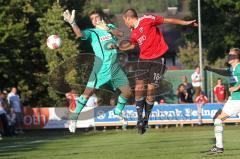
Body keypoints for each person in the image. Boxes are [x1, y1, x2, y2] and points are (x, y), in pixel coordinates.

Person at [120, 8, 197, 134]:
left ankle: (146, 119)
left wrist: (185, 23)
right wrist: (119, 47)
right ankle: (140, 119)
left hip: (157, 60)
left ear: (128, 18)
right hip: (143, 60)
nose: (125, 24)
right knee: (139, 88)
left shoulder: (147, 19)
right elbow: (133, 45)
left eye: (124, 21)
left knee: (150, 91)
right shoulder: (134, 33)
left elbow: (168, 20)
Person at [63, 9, 132, 133]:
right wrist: (73, 23)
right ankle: (73, 118)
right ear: (92, 23)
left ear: (102, 18)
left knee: (127, 92)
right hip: (100, 68)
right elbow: (79, 34)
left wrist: (108, 29)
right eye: (93, 19)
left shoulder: (109, 27)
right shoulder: (92, 32)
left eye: (97, 17)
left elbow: (121, 34)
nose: (95, 20)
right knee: (87, 93)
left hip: (115, 67)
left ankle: (117, 112)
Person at [206, 48, 240, 154]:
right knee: (216, 117)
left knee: (218, 119)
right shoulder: (232, 68)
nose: (228, 57)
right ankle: (218, 146)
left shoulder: (239, 67)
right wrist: (211, 69)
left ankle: (219, 147)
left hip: (237, 99)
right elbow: (224, 72)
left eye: (230, 55)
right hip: (233, 99)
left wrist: (236, 88)